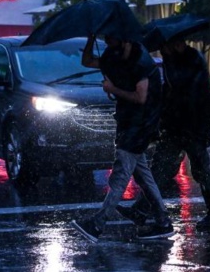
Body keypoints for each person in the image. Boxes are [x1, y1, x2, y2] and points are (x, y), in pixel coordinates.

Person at [70, 34, 175, 242]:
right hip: (128, 122)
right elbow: (88, 61)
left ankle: (97, 225)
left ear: (124, 37)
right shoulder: (113, 54)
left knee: (120, 175)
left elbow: (140, 97)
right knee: (143, 176)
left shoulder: (141, 61)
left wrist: (113, 89)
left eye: (111, 37)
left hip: (141, 125)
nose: (108, 41)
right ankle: (163, 222)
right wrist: (91, 38)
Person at [116, 37, 210, 231]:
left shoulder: (193, 60)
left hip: (193, 126)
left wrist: (204, 131)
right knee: (160, 168)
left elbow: (197, 95)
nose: (162, 50)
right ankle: (141, 210)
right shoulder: (172, 59)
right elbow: (169, 92)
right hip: (175, 125)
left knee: (201, 170)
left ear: (175, 43)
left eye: (163, 46)